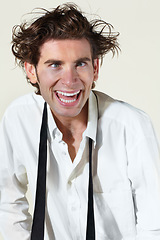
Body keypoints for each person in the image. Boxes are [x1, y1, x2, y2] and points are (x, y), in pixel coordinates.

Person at [0, 3, 160, 240]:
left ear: (95, 68)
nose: (70, 80)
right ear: (32, 71)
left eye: (80, 64)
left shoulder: (131, 127)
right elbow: (7, 204)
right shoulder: (19, 119)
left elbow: (154, 225)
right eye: (55, 65)